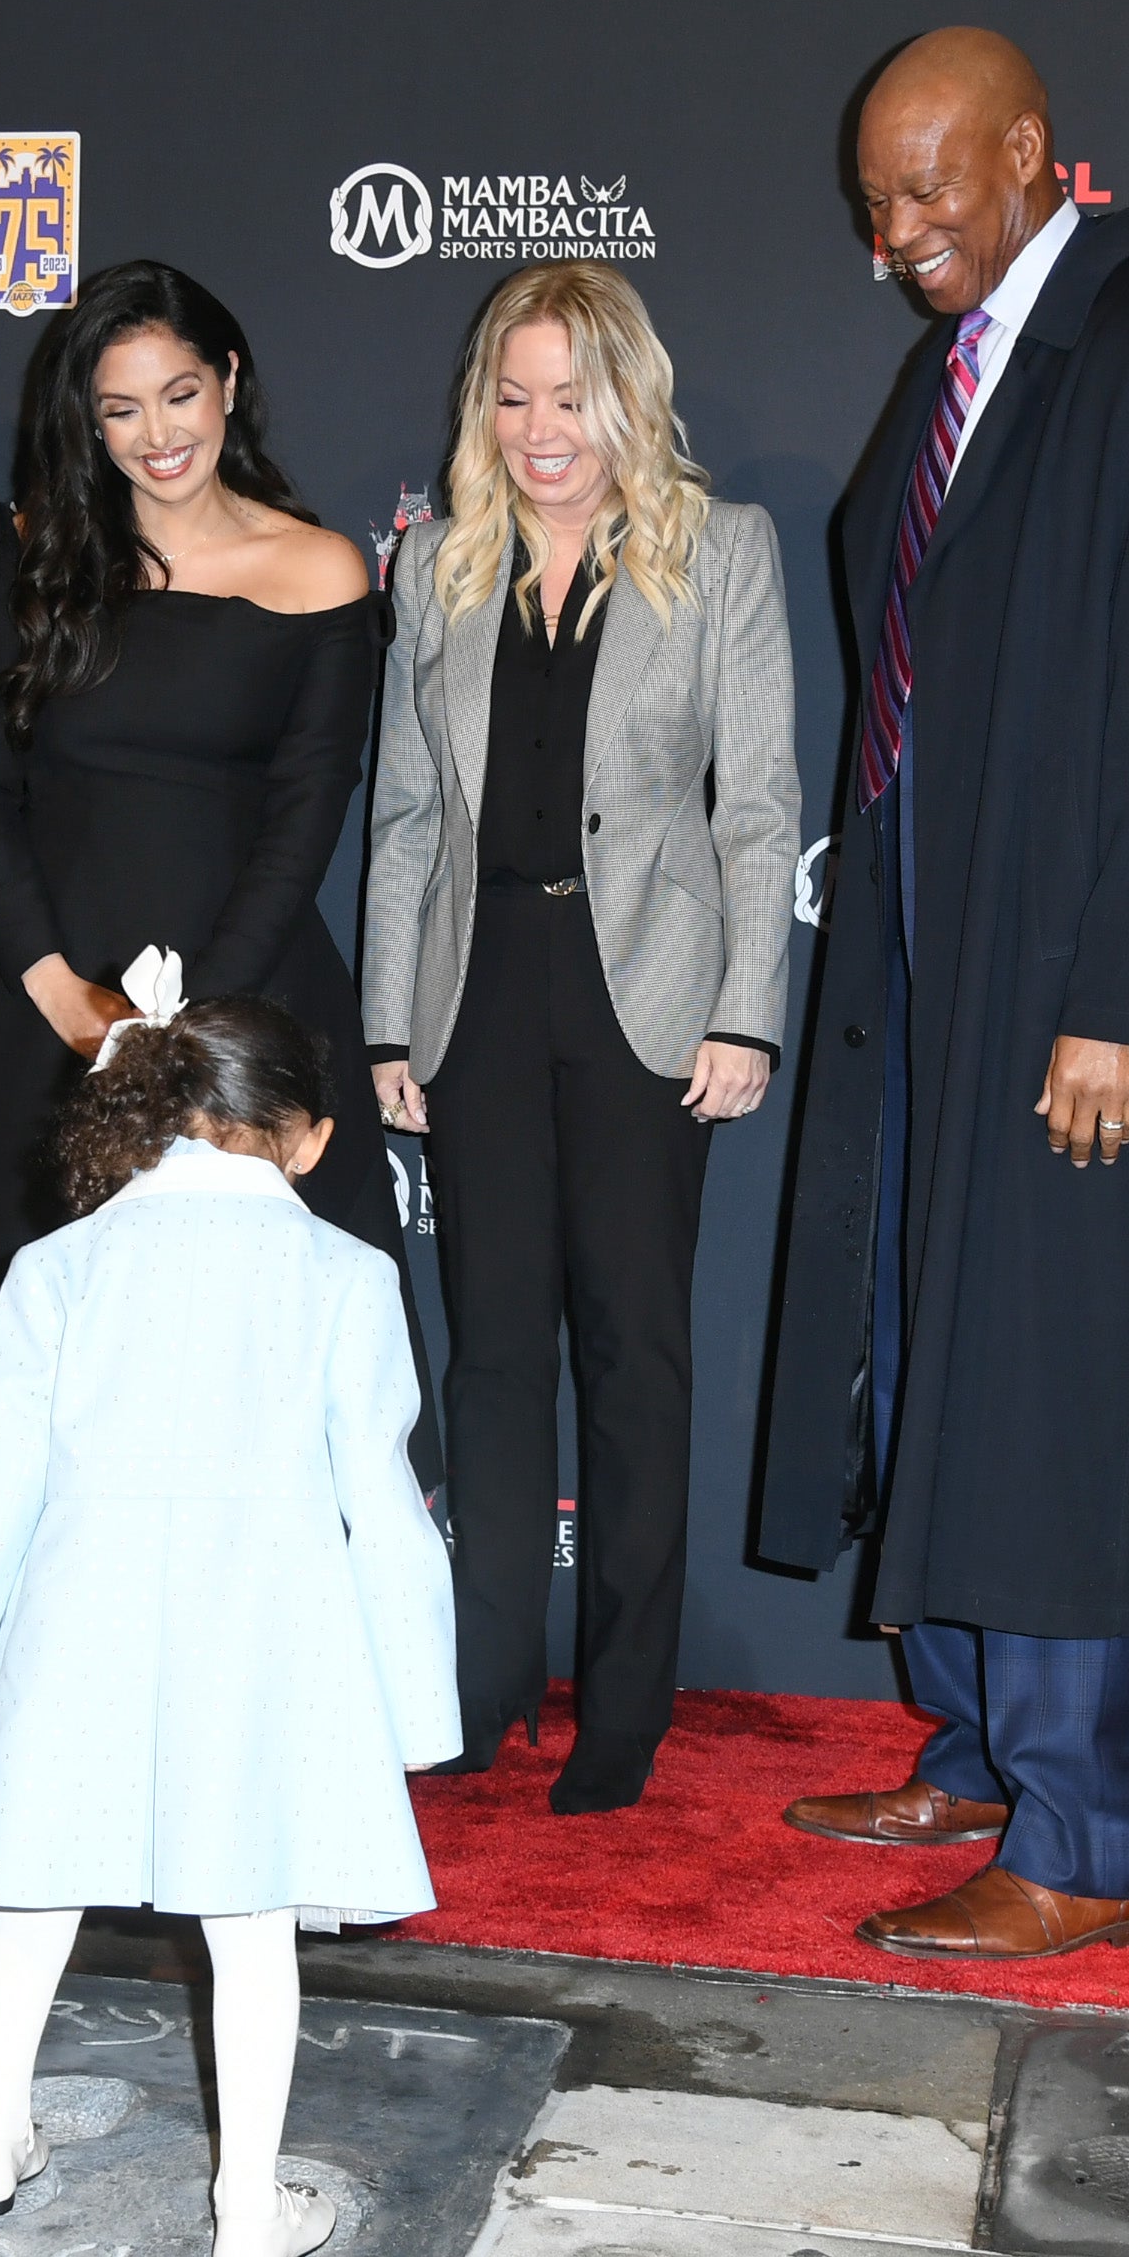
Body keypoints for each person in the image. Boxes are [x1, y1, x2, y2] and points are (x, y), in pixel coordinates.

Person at [755, 30, 1129, 1960]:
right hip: (934, 954)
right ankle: (982, 1750)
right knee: (943, 1358)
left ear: (1032, 155)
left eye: (929, 189)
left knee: (1059, 1385)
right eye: (874, 203)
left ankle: (1090, 1842)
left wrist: (1124, 999)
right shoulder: (968, 364)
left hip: (1073, 981)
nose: (897, 234)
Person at [0, 993, 458, 2257]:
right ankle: (249, 2212)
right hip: (264, 1644)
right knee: (250, 1924)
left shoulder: (56, 1268)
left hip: (82, 1628)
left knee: (35, 1881)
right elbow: (391, 1520)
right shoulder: (348, 1279)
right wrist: (414, 1717)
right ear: (306, 1140)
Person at [365, 262, 801, 1814]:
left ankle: (625, 1708)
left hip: (649, 1000)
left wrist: (750, 1008)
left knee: (636, 1355)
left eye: (573, 396)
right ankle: (480, 1689)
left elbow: (756, 810)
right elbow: (407, 817)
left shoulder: (720, 554)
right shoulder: (436, 568)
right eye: (515, 394)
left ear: (630, 396)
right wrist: (383, 1027)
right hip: (479, 991)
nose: (543, 429)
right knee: (488, 1360)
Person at [0, 261, 430, 1492]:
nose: (157, 436)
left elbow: (310, 812)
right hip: (25, 1005)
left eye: (181, 393)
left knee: (246, 1391)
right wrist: (58, 993)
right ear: (85, 419)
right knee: (1, 1372)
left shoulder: (322, 572)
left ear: (231, 382)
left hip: (243, 1002)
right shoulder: (27, 556)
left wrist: (189, 1030)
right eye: (121, 409)